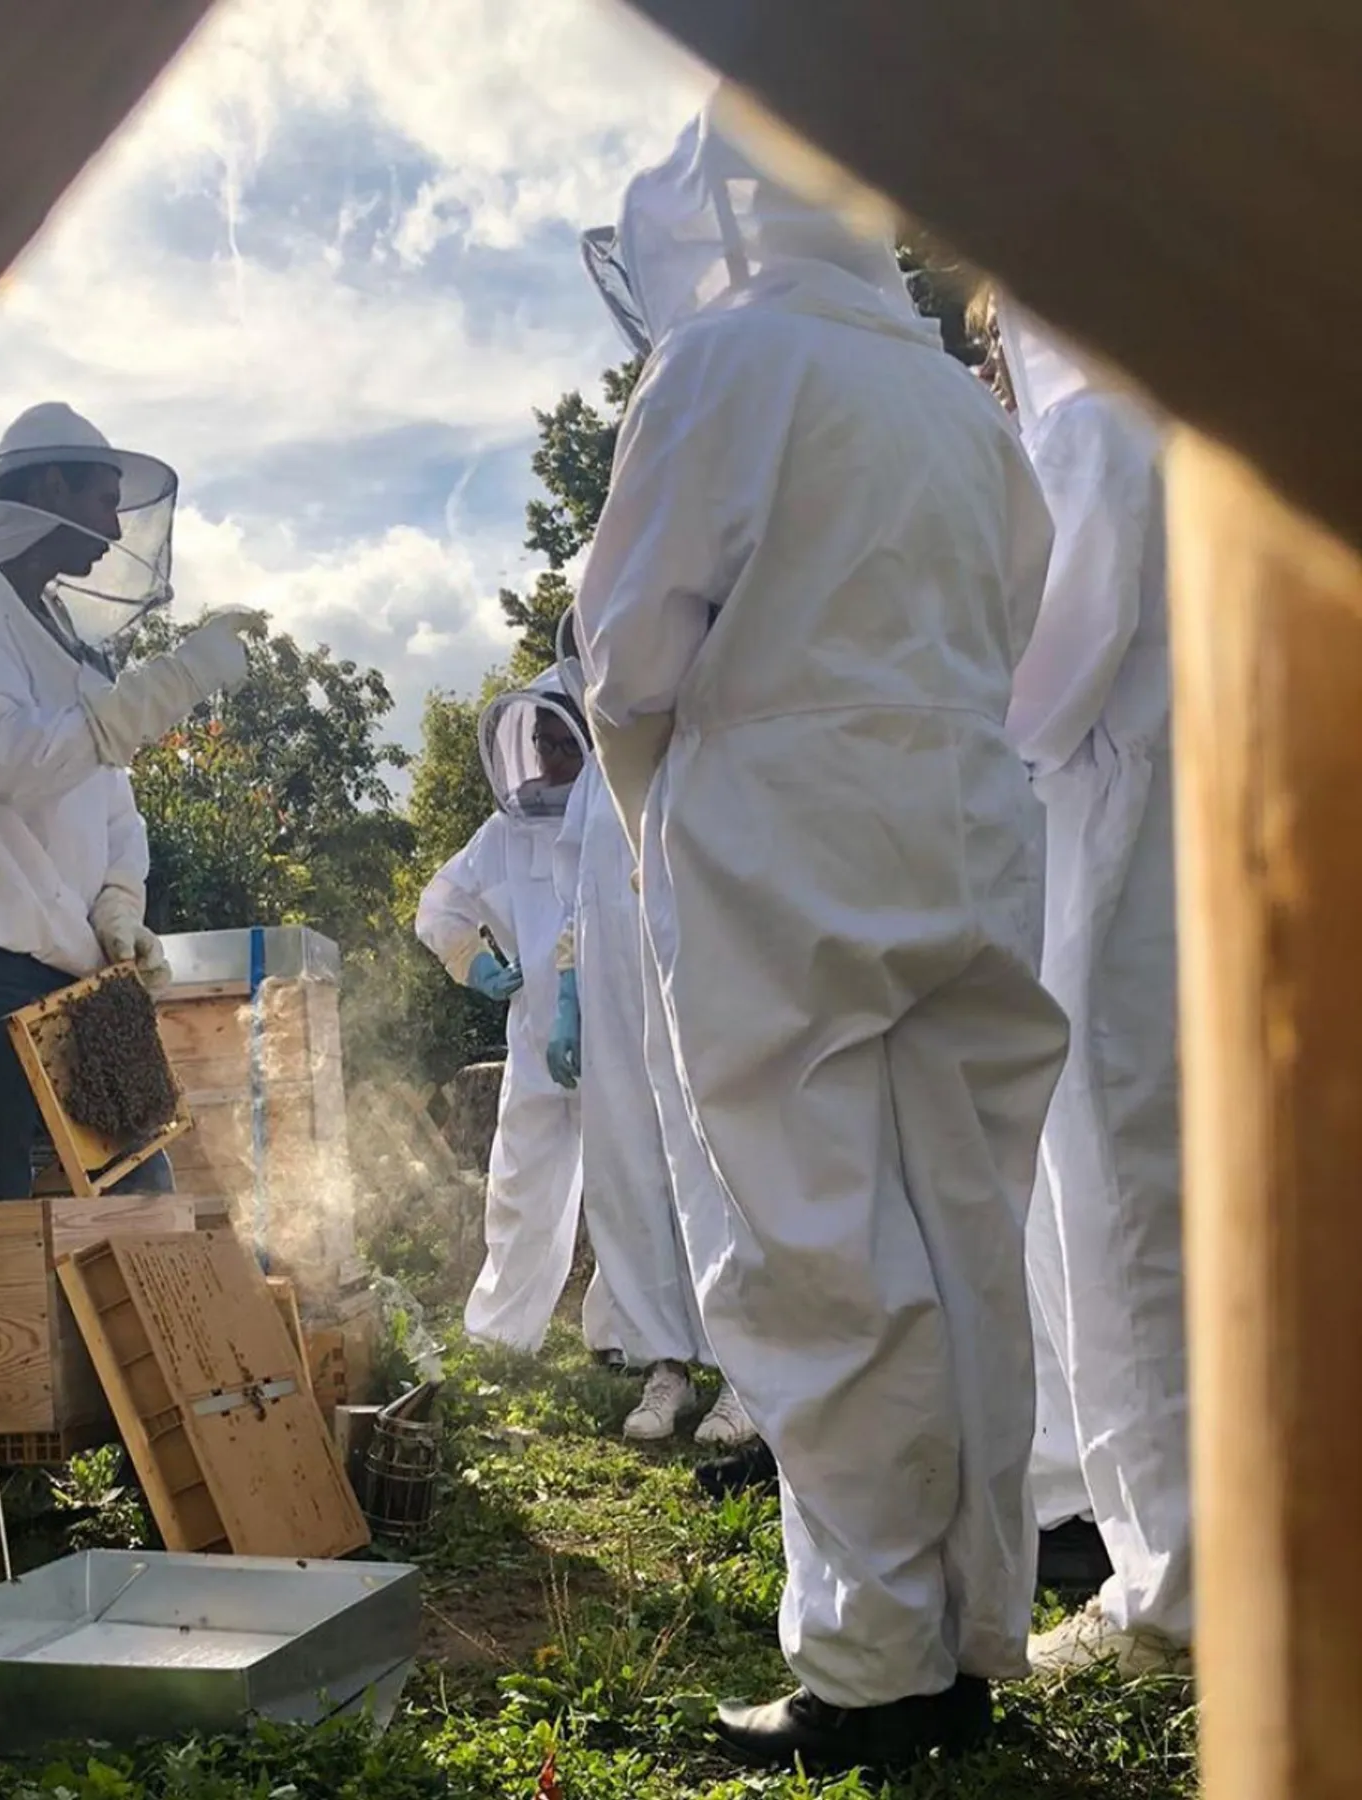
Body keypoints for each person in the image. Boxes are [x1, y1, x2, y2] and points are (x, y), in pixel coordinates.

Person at [575, 102, 1067, 1774]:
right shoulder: (958, 400)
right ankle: (969, 1631)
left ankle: (873, 1671)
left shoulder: (722, 366)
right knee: (966, 1242)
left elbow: (630, 649)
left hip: (784, 839)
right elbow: (1020, 614)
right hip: (972, 832)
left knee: (813, 1250)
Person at [0, 402, 264, 1204]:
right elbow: (21, 761)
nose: (116, 523)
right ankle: (5, 1339)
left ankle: (145, 1336)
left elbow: (110, 793)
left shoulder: (63, 635)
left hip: (79, 966)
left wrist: (121, 899)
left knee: (141, 1181)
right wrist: (177, 678)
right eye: (102, 497)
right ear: (50, 485)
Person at [997, 303, 1191, 1677]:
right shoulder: (1211, 415)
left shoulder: (1089, 426)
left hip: (1115, 852)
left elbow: (1042, 690)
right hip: (1210, 836)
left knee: (1118, 1217)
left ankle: (1173, 1591)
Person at [550, 607, 756, 1448]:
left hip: (704, 987)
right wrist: (567, 987)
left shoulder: (712, 737)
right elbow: (577, 892)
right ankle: (664, 1362)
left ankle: (750, 1376)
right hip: (616, 1003)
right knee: (631, 1175)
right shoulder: (599, 772)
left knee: (723, 1169)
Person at [415, 674, 588, 1351]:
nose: (548, 760)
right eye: (541, 744)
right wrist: (475, 963)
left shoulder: (613, 812)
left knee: (634, 1187)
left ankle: (635, 1342)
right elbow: (441, 903)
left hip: (625, 1034)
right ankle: (500, 1337)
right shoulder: (508, 828)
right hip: (536, 1032)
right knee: (520, 1184)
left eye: (562, 745)